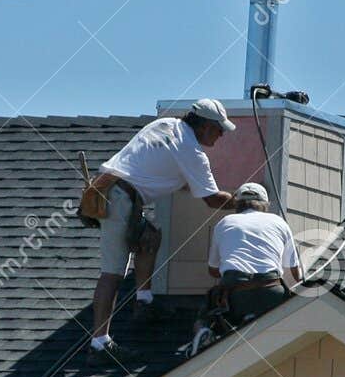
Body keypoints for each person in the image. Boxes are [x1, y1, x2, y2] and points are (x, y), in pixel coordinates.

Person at [87, 99, 236, 356]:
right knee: (113, 273)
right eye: (218, 129)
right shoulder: (191, 151)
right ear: (203, 126)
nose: (221, 134)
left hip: (111, 190)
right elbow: (212, 200)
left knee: (150, 237)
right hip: (120, 199)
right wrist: (244, 200)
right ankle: (99, 344)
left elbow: (162, 171)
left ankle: (144, 303)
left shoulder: (166, 125)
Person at [206, 182, 301, 325]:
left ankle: (202, 337)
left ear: (237, 203)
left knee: (208, 320)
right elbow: (295, 273)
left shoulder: (225, 223)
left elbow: (213, 270)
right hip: (271, 292)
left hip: (235, 296)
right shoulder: (279, 222)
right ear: (266, 204)